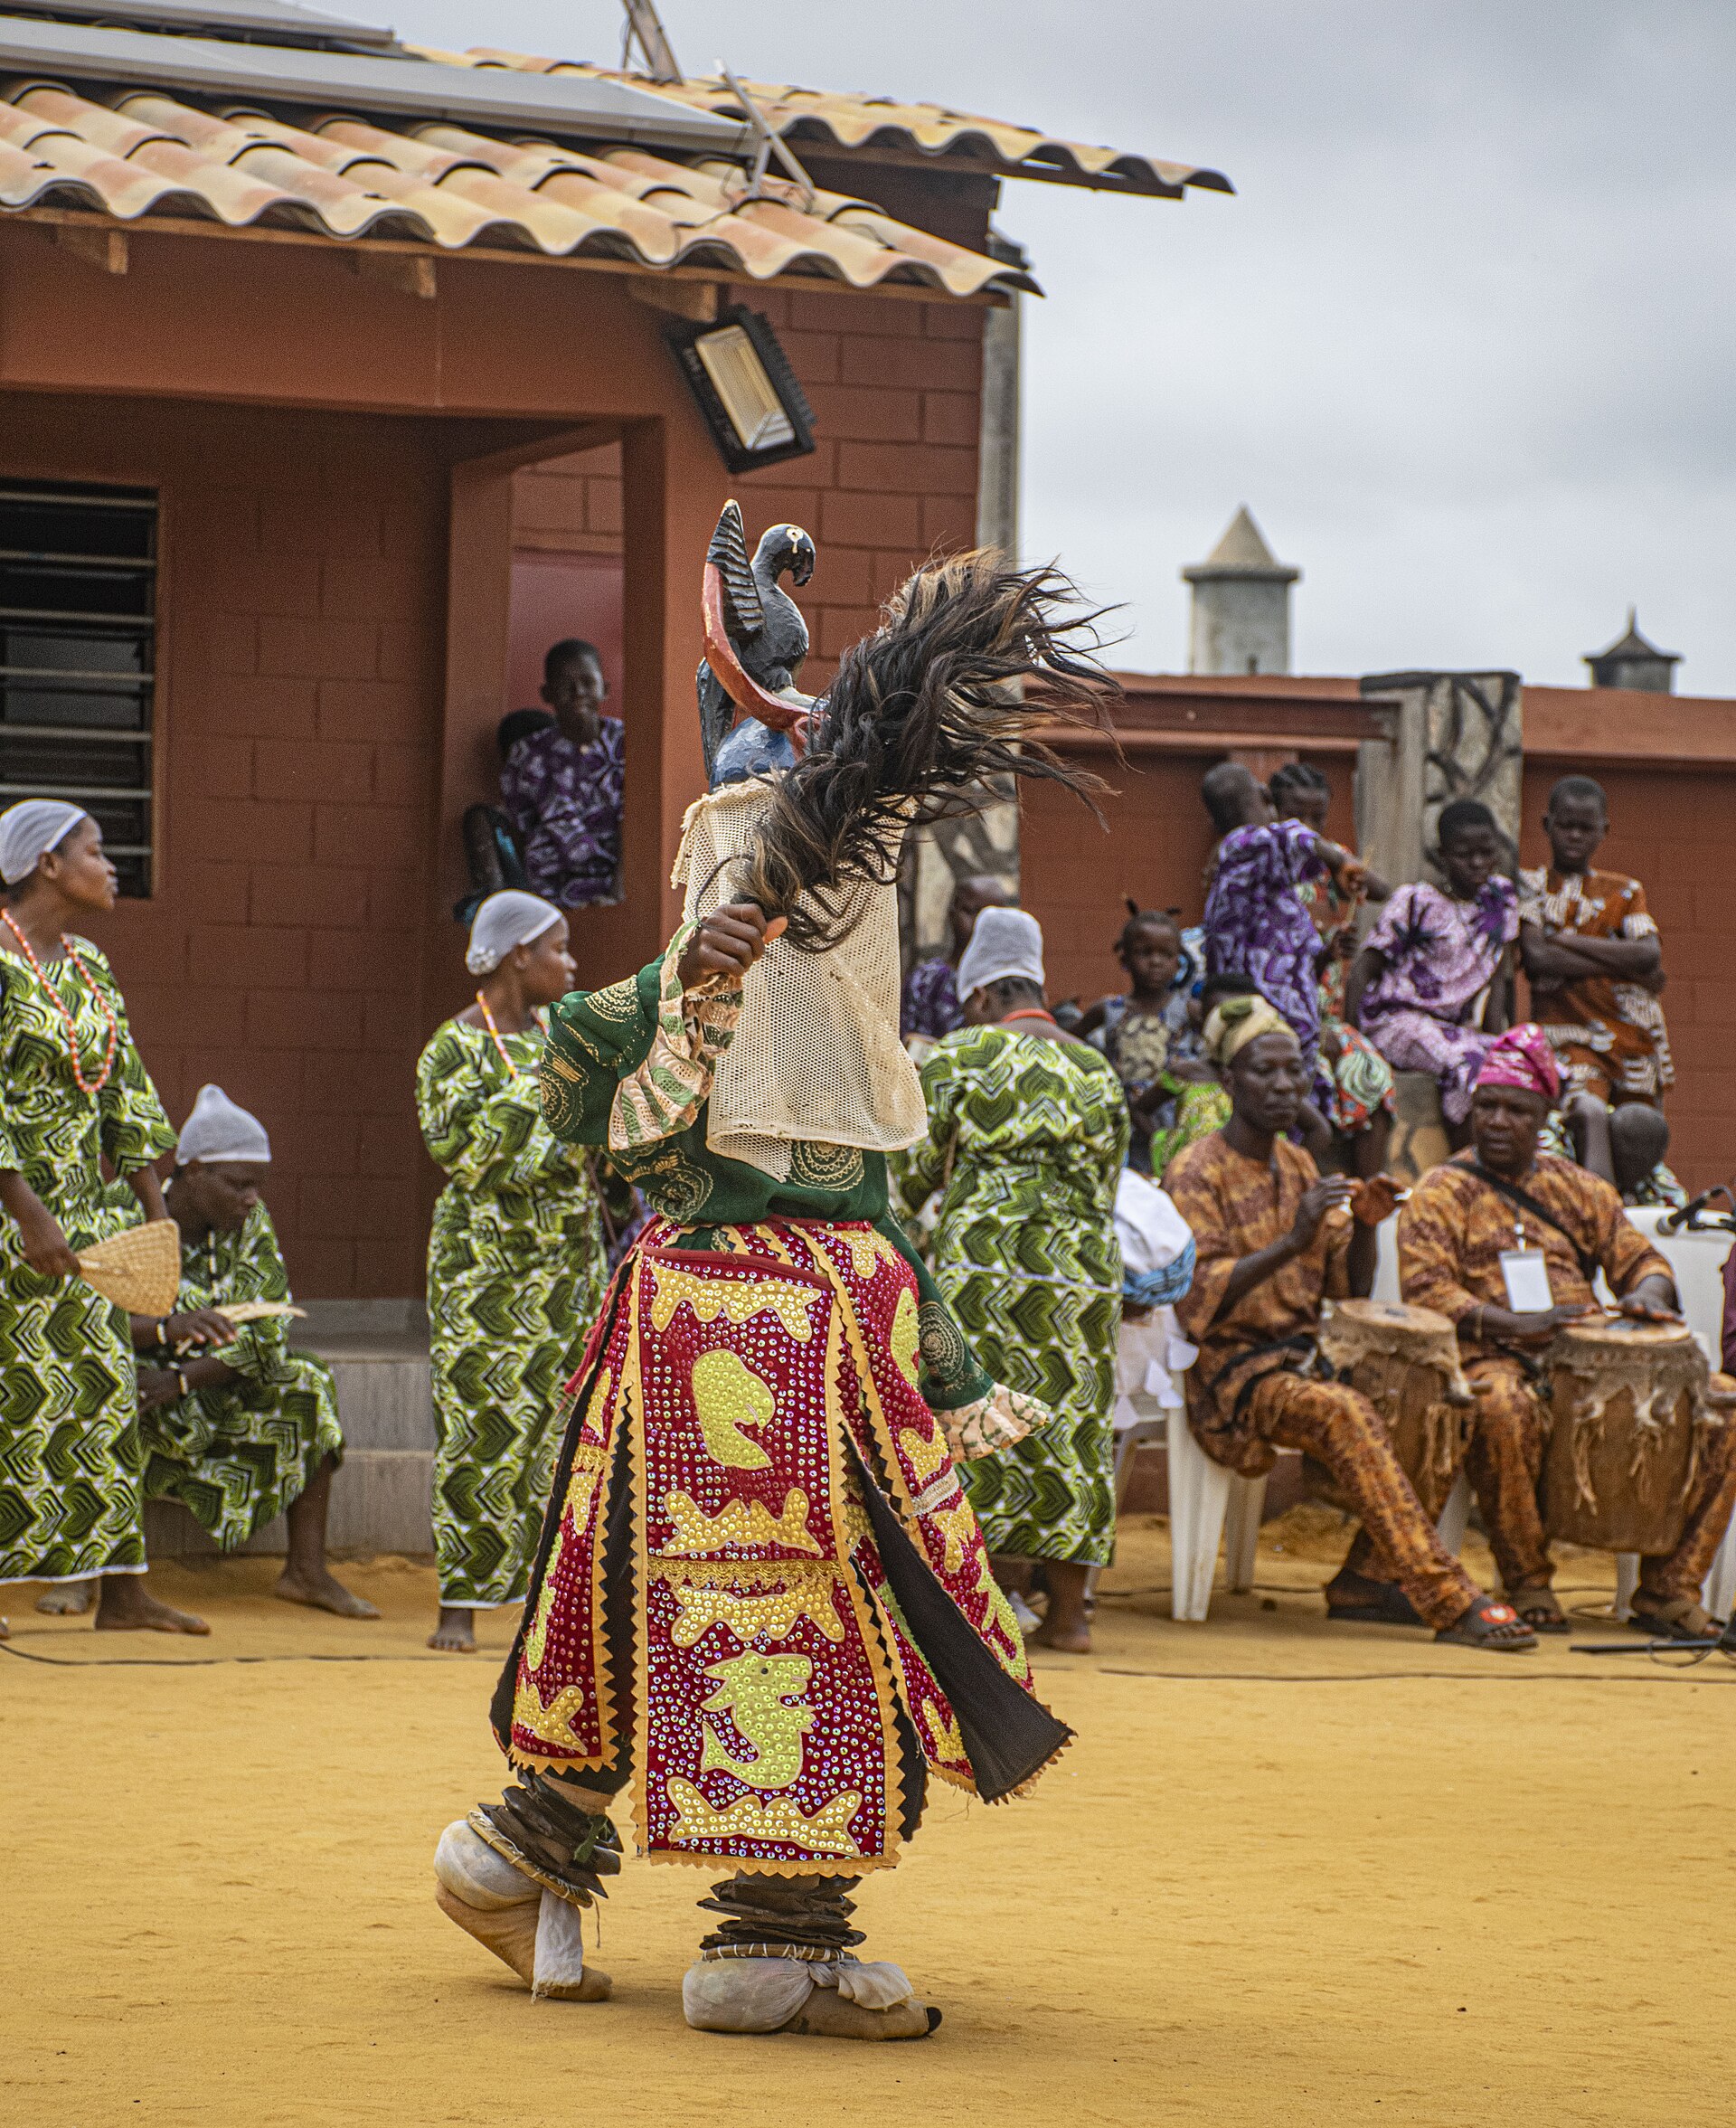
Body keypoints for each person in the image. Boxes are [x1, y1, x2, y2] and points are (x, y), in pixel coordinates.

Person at [432, 542, 1093, 2038]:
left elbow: (873, 1211)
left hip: (803, 1330)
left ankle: (535, 1854)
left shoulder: (843, 1017)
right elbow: (562, 1110)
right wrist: (695, 984)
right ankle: (749, 1925)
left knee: (721, 1606)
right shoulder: (666, 984)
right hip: (727, 1333)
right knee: (771, 1612)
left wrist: (946, 1354)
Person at [1165, 992, 1533, 1649]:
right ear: (1228, 1081)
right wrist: (1290, 1238)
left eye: (1292, 1072)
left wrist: (1364, 1227)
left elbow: (1349, 1284)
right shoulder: (1196, 1170)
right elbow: (1198, 1299)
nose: (1283, 1086)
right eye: (1263, 1071)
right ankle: (1447, 1597)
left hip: (1305, 1358)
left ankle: (1368, 1577)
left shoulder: (1300, 1164)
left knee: (1443, 1399)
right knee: (1344, 1411)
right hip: (1232, 1374)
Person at [1397, 1025, 1735, 1639]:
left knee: (1726, 1406)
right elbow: (1427, 1290)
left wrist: (1644, 1295)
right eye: (1486, 1107)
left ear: (1545, 1116)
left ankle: (1668, 1589)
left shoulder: (1578, 1188)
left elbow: (1646, 1261)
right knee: (1501, 1405)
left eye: (1515, 1110)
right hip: (1489, 1355)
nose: (1497, 1121)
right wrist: (1520, 1324)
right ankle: (1527, 1579)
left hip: (1585, 1359)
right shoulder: (1441, 1190)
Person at [893, 908, 1128, 1654]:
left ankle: (983, 1609)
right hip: (1082, 1274)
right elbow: (1108, 1182)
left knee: (978, 1424)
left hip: (982, 1267)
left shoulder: (960, 1057)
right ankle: (1072, 1615)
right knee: (1072, 1429)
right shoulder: (1097, 1069)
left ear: (979, 994)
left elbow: (910, 1175)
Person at [0, 801, 205, 1634]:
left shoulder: (88, 964)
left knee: (103, 1397)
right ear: (47, 863)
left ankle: (121, 1591)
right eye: (95, 849)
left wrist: (155, 1215)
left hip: (88, 1214)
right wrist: (25, 1209)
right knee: (11, 1397)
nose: (111, 863)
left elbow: (127, 1085)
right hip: (17, 1211)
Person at [418, 892, 609, 1654]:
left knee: (567, 1431)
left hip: (570, 1262)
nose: (572, 964)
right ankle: (459, 1604)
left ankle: (552, 1605)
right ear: (517, 954)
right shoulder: (452, 1050)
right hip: (485, 1272)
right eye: (559, 948)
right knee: (481, 1427)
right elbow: (462, 1152)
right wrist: (558, 1090)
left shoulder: (570, 1034)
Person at [115, 1086, 376, 1618]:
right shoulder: (126, 1212)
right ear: (190, 1170)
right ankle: (89, 1574)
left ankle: (306, 1572)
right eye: (238, 1184)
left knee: (307, 1378)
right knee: (94, 1381)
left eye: (259, 1185)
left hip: (208, 1389)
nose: (252, 1198)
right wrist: (166, 1331)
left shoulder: (250, 1225)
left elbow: (266, 1332)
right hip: (137, 1388)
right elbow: (92, 1319)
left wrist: (183, 1380)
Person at [1197, 763, 1388, 1168]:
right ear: (1264, 798)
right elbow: (1290, 834)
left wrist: (1326, 952)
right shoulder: (1243, 846)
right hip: (1262, 1040)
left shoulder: (1265, 879)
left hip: (1290, 1039)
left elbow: (1287, 961)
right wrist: (1341, 862)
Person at [1347, 797, 1520, 1130]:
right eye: (1464, 854)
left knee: (1514, 1067)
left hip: (1452, 1028)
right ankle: (1467, 1167)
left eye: (1486, 852)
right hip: (1394, 1020)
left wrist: (1495, 1038)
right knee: (1465, 1066)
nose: (1477, 862)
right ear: (1443, 857)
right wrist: (1354, 1044)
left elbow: (1500, 976)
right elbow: (1363, 970)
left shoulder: (1501, 899)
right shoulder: (1416, 901)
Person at [1268, 762, 1397, 1175]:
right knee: (1308, 1080)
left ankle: (1366, 1197)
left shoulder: (1329, 865)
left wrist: (1339, 859)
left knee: (1371, 1071)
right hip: (1278, 1015)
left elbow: (1383, 891)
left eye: (1317, 817)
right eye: (1296, 816)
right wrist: (1324, 954)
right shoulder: (1265, 866)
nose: (1308, 826)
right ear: (1273, 811)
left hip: (1328, 1017)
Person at [1518, 774, 1674, 1105]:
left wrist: (1565, 941)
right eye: (1566, 826)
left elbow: (1648, 956)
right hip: (1566, 1035)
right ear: (1547, 825)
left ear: (1604, 830)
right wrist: (1622, 963)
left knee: (1639, 1130)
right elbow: (1537, 959)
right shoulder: (1532, 885)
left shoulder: (1625, 890)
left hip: (1633, 1033)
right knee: (1584, 1114)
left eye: (1586, 829)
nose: (1575, 836)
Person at [498, 639, 626, 911]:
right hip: (548, 888)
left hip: (615, 881)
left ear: (605, 688)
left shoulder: (627, 743)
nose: (578, 692)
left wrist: (618, 892)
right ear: (547, 694)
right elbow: (520, 829)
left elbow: (638, 821)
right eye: (565, 684)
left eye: (587, 682)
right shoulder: (527, 754)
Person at [1077, 904, 1204, 1170]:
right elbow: (1068, 1042)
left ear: (1178, 961)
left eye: (1166, 954)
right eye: (1145, 953)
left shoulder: (1188, 1010)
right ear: (1125, 959)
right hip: (1121, 1126)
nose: (1155, 962)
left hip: (1174, 1124)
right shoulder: (1109, 1010)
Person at [899, 873, 1008, 1045]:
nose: (981, 923)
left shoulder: (1009, 986)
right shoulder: (925, 981)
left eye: (991, 916)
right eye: (973, 912)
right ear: (952, 914)